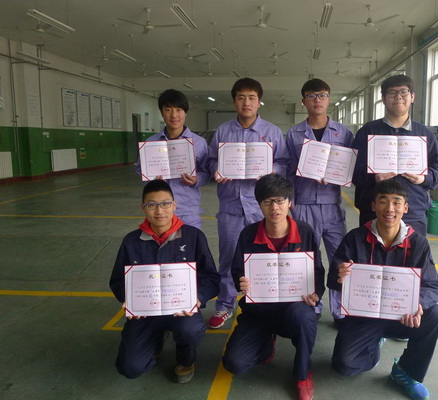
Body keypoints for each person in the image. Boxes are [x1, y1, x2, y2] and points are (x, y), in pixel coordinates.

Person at [328, 179, 438, 400]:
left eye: (396, 202)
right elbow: (333, 281)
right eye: (383, 201)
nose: (390, 209)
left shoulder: (418, 243)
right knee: (345, 365)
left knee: (437, 316)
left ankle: (406, 372)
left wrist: (417, 305)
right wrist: (339, 275)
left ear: (405, 208)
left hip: (402, 317)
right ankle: (373, 345)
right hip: (364, 317)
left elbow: (432, 285)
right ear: (373, 206)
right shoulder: (355, 238)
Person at [222, 173, 324, 400]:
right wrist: (242, 281)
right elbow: (237, 269)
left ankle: (302, 374)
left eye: (280, 201)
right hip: (258, 312)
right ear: (260, 205)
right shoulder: (248, 234)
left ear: (289, 202)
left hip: (293, 310)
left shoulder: (305, 232)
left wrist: (315, 293)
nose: (274, 208)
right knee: (234, 363)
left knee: (304, 317)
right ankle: (266, 341)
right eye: (268, 202)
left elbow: (317, 271)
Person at [109, 179, 220, 382]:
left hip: (181, 310)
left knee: (191, 329)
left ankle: (185, 360)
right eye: (151, 205)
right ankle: (154, 344)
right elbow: (117, 280)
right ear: (143, 207)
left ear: (174, 205)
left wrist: (198, 298)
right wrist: (128, 299)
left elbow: (211, 277)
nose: (159, 211)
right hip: (145, 314)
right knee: (130, 367)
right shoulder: (131, 241)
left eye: (165, 203)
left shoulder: (193, 236)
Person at [207, 78, 289, 329]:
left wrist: (271, 170)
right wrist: (216, 169)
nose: (246, 102)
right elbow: (210, 160)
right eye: (241, 97)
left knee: (265, 258)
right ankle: (224, 305)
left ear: (259, 101)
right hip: (231, 207)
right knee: (228, 258)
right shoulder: (222, 132)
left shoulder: (272, 132)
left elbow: (284, 163)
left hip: (262, 208)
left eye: (252, 98)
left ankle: (266, 303)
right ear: (234, 101)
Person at [285, 78, 353, 323]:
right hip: (303, 204)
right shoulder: (293, 133)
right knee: (308, 258)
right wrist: (290, 199)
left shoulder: (344, 133)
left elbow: (350, 165)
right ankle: (312, 305)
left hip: (332, 204)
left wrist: (339, 176)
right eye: (312, 96)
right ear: (303, 101)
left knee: (339, 258)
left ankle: (340, 310)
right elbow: (288, 168)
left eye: (322, 95)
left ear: (329, 99)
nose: (317, 100)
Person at [351, 75, 438, 236]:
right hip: (373, 210)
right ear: (383, 99)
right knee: (372, 251)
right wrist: (374, 177)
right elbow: (353, 171)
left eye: (403, 92)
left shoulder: (424, 134)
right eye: (392, 93)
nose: (398, 97)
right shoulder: (368, 131)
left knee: (412, 252)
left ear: (412, 96)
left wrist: (423, 179)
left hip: (413, 211)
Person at [136, 89, 210, 229]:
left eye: (178, 109)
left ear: (185, 112)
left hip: (188, 211)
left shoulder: (199, 143)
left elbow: (206, 172)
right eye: (168, 109)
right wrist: (151, 179)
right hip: (159, 211)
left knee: (190, 242)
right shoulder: (150, 143)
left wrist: (196, 179)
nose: (174, 115)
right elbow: (140, 170)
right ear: (161, 112)